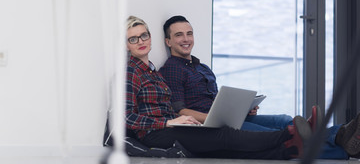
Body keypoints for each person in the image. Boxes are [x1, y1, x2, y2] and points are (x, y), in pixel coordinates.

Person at [159, 15, 360, 159]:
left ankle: (341, 138)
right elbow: (180, 110)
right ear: (168, 41)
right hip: (212, 124)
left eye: (189, 33)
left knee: (284, 120)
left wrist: (243, 108)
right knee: (275, 135)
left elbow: (215, 101)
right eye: (179, 35)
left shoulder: (201, 67)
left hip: (228, 118)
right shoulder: (172, 69)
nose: (186, 39)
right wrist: (214, 119)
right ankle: (341, 139)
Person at [125, 15, 312, 160]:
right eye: (133, 39)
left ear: (150, 37)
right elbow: (127, 117)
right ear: (127, 45)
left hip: (170, 127)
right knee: (224, 135)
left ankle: (290, 150)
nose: (141, 41)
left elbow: (165, 109)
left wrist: (181, 119)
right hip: (155, 134)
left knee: (226, 149)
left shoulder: (152, 71)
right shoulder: (131, 71)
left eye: (144, 35)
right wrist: (168, 122)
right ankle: (289, 134)